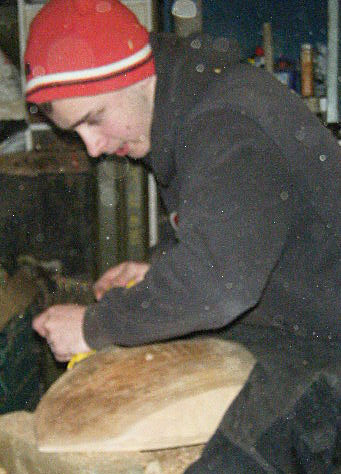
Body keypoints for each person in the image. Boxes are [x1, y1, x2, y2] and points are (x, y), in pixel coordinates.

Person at [25, 0, 340, 472]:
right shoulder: (186, 102)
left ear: (130, 76)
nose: (92, 149)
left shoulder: (221, 123)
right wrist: (159, 267)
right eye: (76, 132)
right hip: (288, 320)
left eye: (94, 118)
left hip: (323, 339)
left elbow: (221, 287)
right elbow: (229, 226)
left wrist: (94, 326)